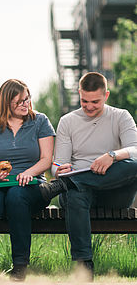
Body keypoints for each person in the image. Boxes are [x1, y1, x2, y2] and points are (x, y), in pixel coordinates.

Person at [39, 72, 137, 280]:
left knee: (134, 165)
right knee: (75, 192)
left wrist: (112, 156)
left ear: (106, 95)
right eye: (84, 101)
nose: (89, 106)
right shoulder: (68, 121)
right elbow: (57, 165)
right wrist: (59, 171)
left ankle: (66, 184)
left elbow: (135, 149)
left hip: (114, 192)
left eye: (95, 101)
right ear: (79, 94)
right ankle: (84, 267)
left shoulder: (121, 116)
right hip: (80, 195)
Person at [0, 79, 55, 282]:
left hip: (30, 184)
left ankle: (20, 267)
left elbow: (46, 159)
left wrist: (29, 173)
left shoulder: (40, 121)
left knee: (16, 196)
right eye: (19, 102)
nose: (25, 104)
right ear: (6, 103)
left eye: (27, 99)